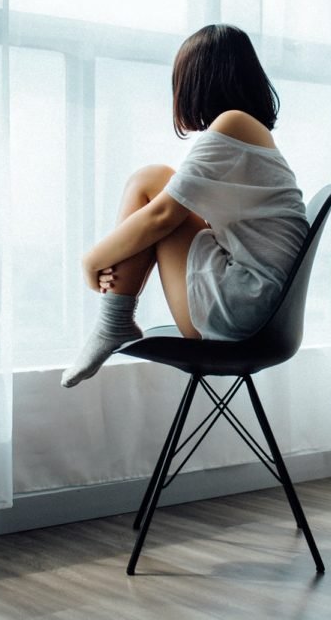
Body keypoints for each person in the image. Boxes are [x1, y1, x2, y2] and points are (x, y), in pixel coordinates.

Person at [61, 24, 308, 388]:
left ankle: (113, 321)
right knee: (156, 180)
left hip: (243, 311)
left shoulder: (233, 124)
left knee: (150, 183)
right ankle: (114, 321)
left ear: (197, 81)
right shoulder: (249, 132)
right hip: (258, 309)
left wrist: (91, 260)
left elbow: (163, 216)